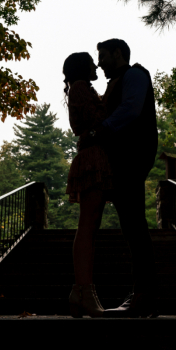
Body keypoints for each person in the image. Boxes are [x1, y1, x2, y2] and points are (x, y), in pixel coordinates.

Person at [86, 38, 159, 318]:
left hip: (132, 158)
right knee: (131, 225)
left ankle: (144, 295)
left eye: (103, 56)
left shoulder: (135, 75)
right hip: (120, 162)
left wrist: (97, 132)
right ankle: (143, 294)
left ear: (118, 53)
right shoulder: (117, 81)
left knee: (135, 226)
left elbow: (130, 111)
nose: (99, 62)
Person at [63, 52, 113, 318]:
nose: (96, 65)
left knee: (90, 227)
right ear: (83, 67)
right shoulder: (81, 88)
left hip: (93, 156)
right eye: (92, 62)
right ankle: (83, 289)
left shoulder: (79, 88)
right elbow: (98, 121)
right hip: (92, 158)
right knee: (87, 226)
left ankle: (83, 290)